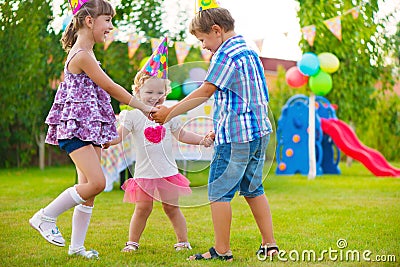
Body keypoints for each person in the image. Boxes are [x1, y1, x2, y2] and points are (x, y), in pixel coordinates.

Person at [29, 0, 155, 259]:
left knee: (87, 190)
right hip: (75, 130)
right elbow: (110, 88)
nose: (111, 26)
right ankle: (45, 216)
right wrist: (144, 107)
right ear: (89, 21)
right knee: (97, 183)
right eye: (107, 20)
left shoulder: (88, 52)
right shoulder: (83, 55)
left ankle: (76, 248)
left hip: (88, 129)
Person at [152, 6, 278, 261]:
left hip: (236, 137)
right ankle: (269, 244)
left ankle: (221, 251)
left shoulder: (225, 54)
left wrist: (170, 112)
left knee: (219, 193)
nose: (204, 46)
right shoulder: (248, 49)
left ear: (217, 31)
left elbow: (205, 91)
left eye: (203, 40)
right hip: (258, 132)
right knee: (253, 189)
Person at [109, 69, 215, 252]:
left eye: (160, 93)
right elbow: (119, 136)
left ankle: (183, 241)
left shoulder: (169, 115)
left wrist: (201, 140)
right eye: (149, 92)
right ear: (137, 92)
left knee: (172, 208)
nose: (155, 97)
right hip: (144, 174)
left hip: (168, 173)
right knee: (142, 208)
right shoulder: (133, 115)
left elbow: (181, 134)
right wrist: (107, 140)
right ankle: (132, 242)